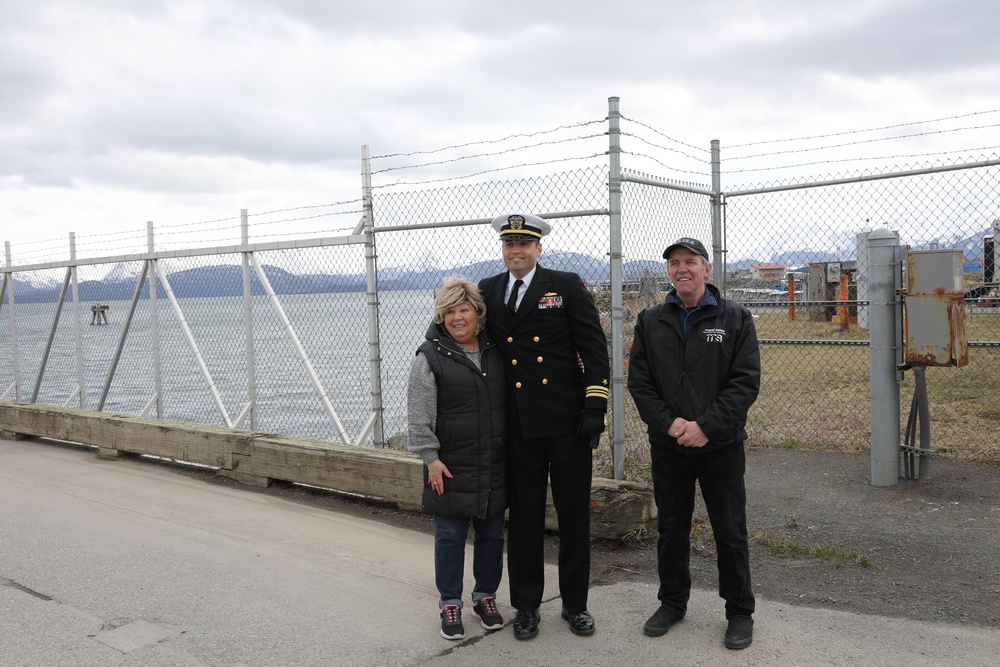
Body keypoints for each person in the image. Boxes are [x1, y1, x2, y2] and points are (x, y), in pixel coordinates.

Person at [478, 212, 610, 640]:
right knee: (526, 520)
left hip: (567, 421)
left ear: (539, 248)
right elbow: (463, 332)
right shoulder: (489, 291)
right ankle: (528, 606)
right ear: (503, 249)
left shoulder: (565, 285)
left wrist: (595, 406)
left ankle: (576, 605)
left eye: (524, 244)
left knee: (573, 517)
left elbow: (594, 349)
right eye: (509, 244)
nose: (516, 251)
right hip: (518, 425)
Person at [627, 237, 761, 650]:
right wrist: (670, 426)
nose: (681, 269)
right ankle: (672, 602)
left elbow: (745, 383)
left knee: (730, 530)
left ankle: (739, 612)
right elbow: (640, 383)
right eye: (674, 264)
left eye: (690, 262)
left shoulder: (735, 318)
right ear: (668, 272)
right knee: (672, 528)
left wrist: (706, 426)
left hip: (719, 446)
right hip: (670, 447)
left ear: (706, 269)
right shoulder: (651, 320)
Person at [406, 276, 508, 640]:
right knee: (449, 536)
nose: (457, 317)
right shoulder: (429, 357)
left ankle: (485, 597)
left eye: (463, 309)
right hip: (447, 465)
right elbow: (418, 416)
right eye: (448, 311)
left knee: (492, 534)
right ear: (440, 317)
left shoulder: (497, 351)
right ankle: (450, 601)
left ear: (477, 313)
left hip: (493, 461)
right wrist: (429, 458)